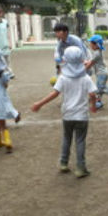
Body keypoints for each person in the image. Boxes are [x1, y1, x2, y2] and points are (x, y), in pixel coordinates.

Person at [31, 46, 97, 178]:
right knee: (80, 141)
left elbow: (55, 94)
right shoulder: (85, 78)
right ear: (81, 60)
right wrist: (93, 106)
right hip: (82, 115)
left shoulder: (63, 77)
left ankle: (63, 163)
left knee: (67, 138)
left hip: (67, 114)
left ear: (65, 61)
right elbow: (93, 94)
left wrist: (39, 103)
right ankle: (80, 168)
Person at [85, 34, 108, 109]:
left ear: (96, 45)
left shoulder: (97, 53)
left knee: (99, 89)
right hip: (101, 73)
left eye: (91, 44)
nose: (90, 45)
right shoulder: (97, 52)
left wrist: (82, 70)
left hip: (101, 74)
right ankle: (99, 102)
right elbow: (90, 62)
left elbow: (90, 64)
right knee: (100, 88)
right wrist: (84, 62)